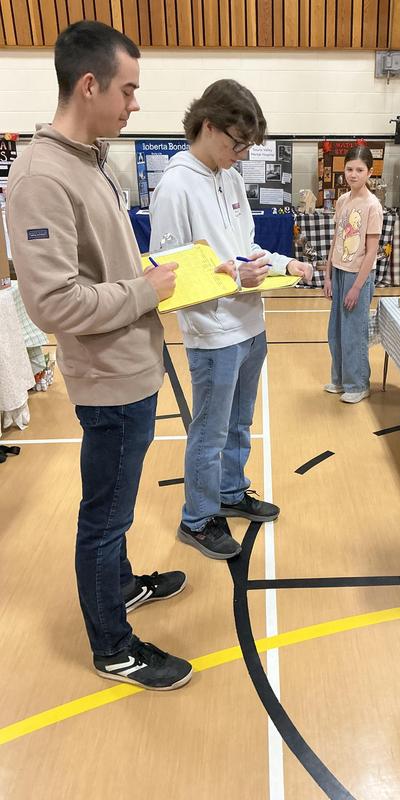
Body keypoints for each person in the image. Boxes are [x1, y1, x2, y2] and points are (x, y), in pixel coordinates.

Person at [6, 21, 192, 691]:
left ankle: (121, 586)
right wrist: (141, 290)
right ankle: (113, 645)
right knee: (105, 513)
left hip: (134, 365)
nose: (134, 104)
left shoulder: (91, 160)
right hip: (107, 380)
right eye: (128, 89)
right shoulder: (39, 177)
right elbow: (53, 303)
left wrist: (153, 281)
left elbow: (103, 270)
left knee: (117, 504)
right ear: (89, 85)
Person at [149, 79, 312, 560]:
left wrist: (284, 265)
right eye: (236, 143)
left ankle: (230, 491)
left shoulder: (232, 178)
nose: (241, 155)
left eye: (247, 146)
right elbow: (168, 274)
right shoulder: (176, 185)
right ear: (207, 126)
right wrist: (233, 276)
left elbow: (247, 250)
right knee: (210, 430)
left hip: (250, 326)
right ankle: (196, 519)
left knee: (240, 422)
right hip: (213, 334)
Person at [323, 146, 383, 403]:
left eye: (360, 170)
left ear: (370, 172)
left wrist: (357, 287)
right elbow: (336, 240)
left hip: (357, 275)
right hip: (338, 271)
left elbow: (371, 252)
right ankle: (339, 379)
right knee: (335, 331)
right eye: (349, 169)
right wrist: (327, 275)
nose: (353, 174)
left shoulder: (373, 205)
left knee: (353, 332)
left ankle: (358, 384)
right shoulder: (343, 201)